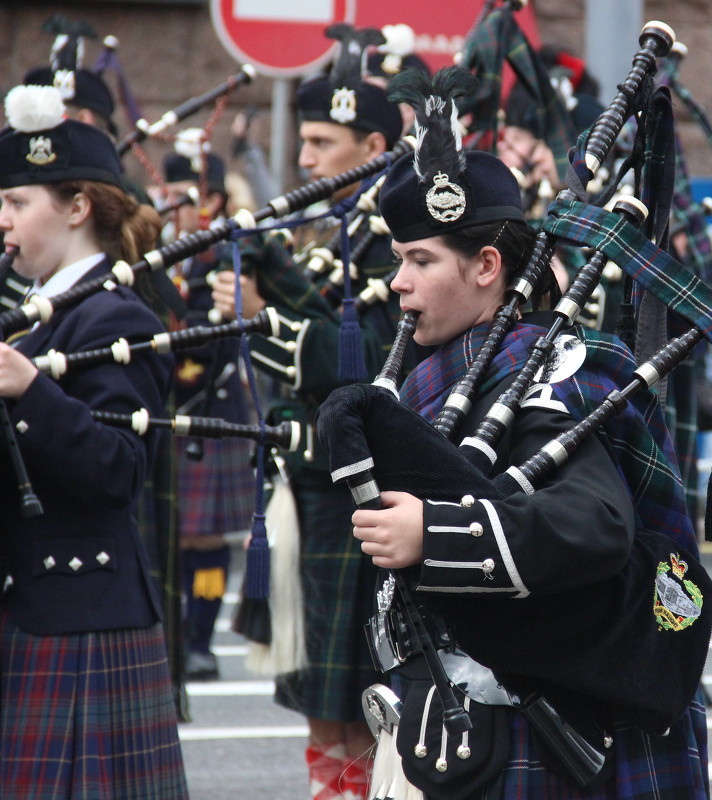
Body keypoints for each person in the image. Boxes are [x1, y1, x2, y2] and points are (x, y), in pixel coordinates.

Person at [346, 66, 710, 799]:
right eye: (398, 261)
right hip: (450, 718)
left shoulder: (556, 375)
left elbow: (597, 524)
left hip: (536, 732)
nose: (399, 283)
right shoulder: (440, 376)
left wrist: (435, 535)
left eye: (420, 261)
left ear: (487, 267)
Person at [211, 29, 406, 800]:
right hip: (302, 484)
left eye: (325, 142)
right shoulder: (321, 226)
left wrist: (265, 312)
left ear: (374, 144)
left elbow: (369, 361)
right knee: (316, 706)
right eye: (307, 139)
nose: (306, 158)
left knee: (354, 707)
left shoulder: (397, 233)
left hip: (351, 493)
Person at [0, 84, 185, 798]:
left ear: (76, 207)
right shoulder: (40, 318)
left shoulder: (114, 316)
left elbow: (119, 470)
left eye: (17, 204)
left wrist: (30, 391)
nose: (4, 221)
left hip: (81, 616)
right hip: (40, 609)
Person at [160, 131, 256, 681]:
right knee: (168, 533)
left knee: (202, 537)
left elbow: (212, 333)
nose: (174, 204)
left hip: (208, 403)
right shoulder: (149, 251)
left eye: (185, 193)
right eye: (168, 193)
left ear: (211, 201)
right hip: (159, 403)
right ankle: (173, 638)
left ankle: (199, 641)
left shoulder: (222, 256)